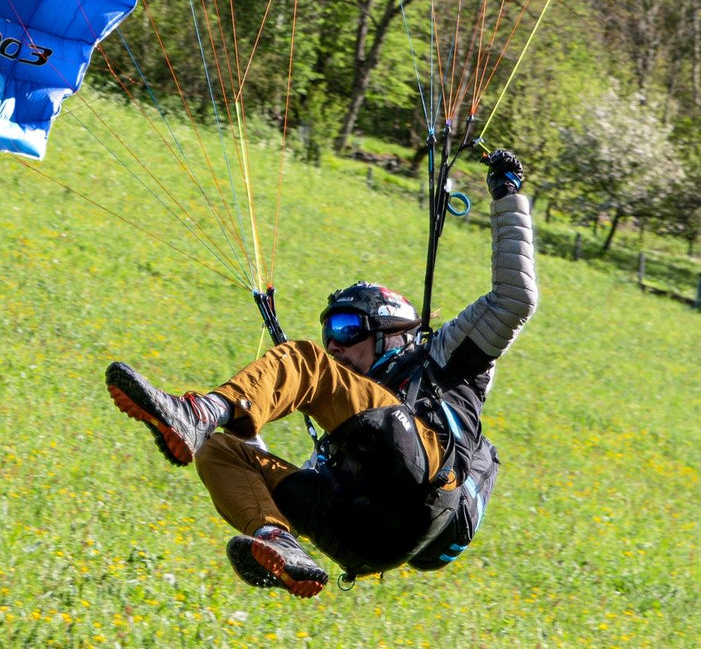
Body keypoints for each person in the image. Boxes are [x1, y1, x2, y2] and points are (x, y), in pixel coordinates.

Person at [105, 150, 537, 597]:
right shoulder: (345, 427)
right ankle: (277, 541)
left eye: (347, 329)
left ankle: (199, 413)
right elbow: (300, 481)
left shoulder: (443, 359)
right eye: (329, 333)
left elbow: (515, 299)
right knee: (218, 450)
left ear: (390, 332)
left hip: (425, 480)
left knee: (305, 363)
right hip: (364, 538)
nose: (334, 345)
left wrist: (506, 194)